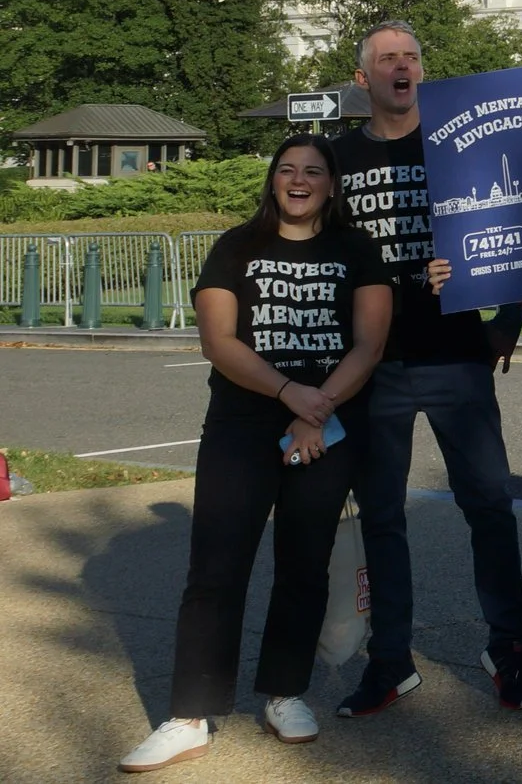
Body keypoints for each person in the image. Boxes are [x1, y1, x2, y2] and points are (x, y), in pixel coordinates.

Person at [121, 136, 394, 772]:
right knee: (216, 568)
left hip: (324, 428)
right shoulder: (236, 247)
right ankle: (189, 714)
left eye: (314, 172)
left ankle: (285, 691)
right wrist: (289, 393)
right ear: (273, 181)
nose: (299, 180)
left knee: (304, 563)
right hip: (242, 425)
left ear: (332, 185)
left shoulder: (357, 250)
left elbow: (369, 345)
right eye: (287, 170)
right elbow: (219, 341)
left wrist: (314, 410)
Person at [329, 22, 522, 719]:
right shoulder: (338, 158)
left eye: (412, 56)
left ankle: (509, 647)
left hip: (456, 353)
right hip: (373, 365)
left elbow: (516, 222)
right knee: (382, 516)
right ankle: (390, 659)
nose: (402, 66)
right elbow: (324, 257)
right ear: (363, 78)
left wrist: (505, 321)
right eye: (387, 58)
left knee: (490, 505)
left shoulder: (458, 142)